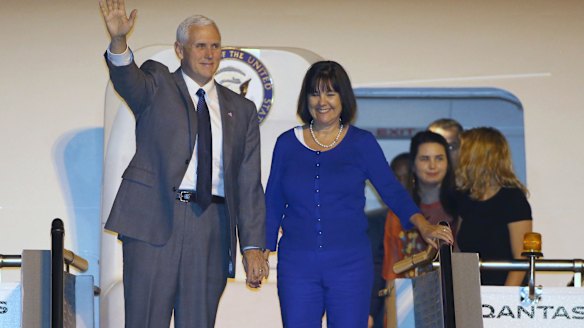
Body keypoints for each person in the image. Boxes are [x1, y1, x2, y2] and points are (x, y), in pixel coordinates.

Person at [98, 1, 267, 327]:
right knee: (146, 319)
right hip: (155, 222)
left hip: (212, 226)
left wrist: (253, 246)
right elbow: (125, 78)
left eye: (215, 46)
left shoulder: (241, 109)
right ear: (180, 49)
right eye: (200, 45)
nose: (209, 53)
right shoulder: (156, 84)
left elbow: (248, 183)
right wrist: (119, 42)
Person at [265, 61, 453, 328]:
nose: (322, 101)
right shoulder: (286, 143)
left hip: (350, 265)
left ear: (344, 98)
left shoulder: (362, 143)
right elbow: (272, 200)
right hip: (297, 265)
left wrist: (424, 226)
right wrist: (259, 251)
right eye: (315, 93)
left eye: (330, 93)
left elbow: (392, 190)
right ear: (305, 98)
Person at [456, 127, 532, 286]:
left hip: (504, 295)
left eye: (462, 151)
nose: (456, 156)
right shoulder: (466, 199)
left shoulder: (512, 199)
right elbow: (459, 252)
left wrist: (504, 298)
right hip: (472, 292)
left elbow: (522, 259)